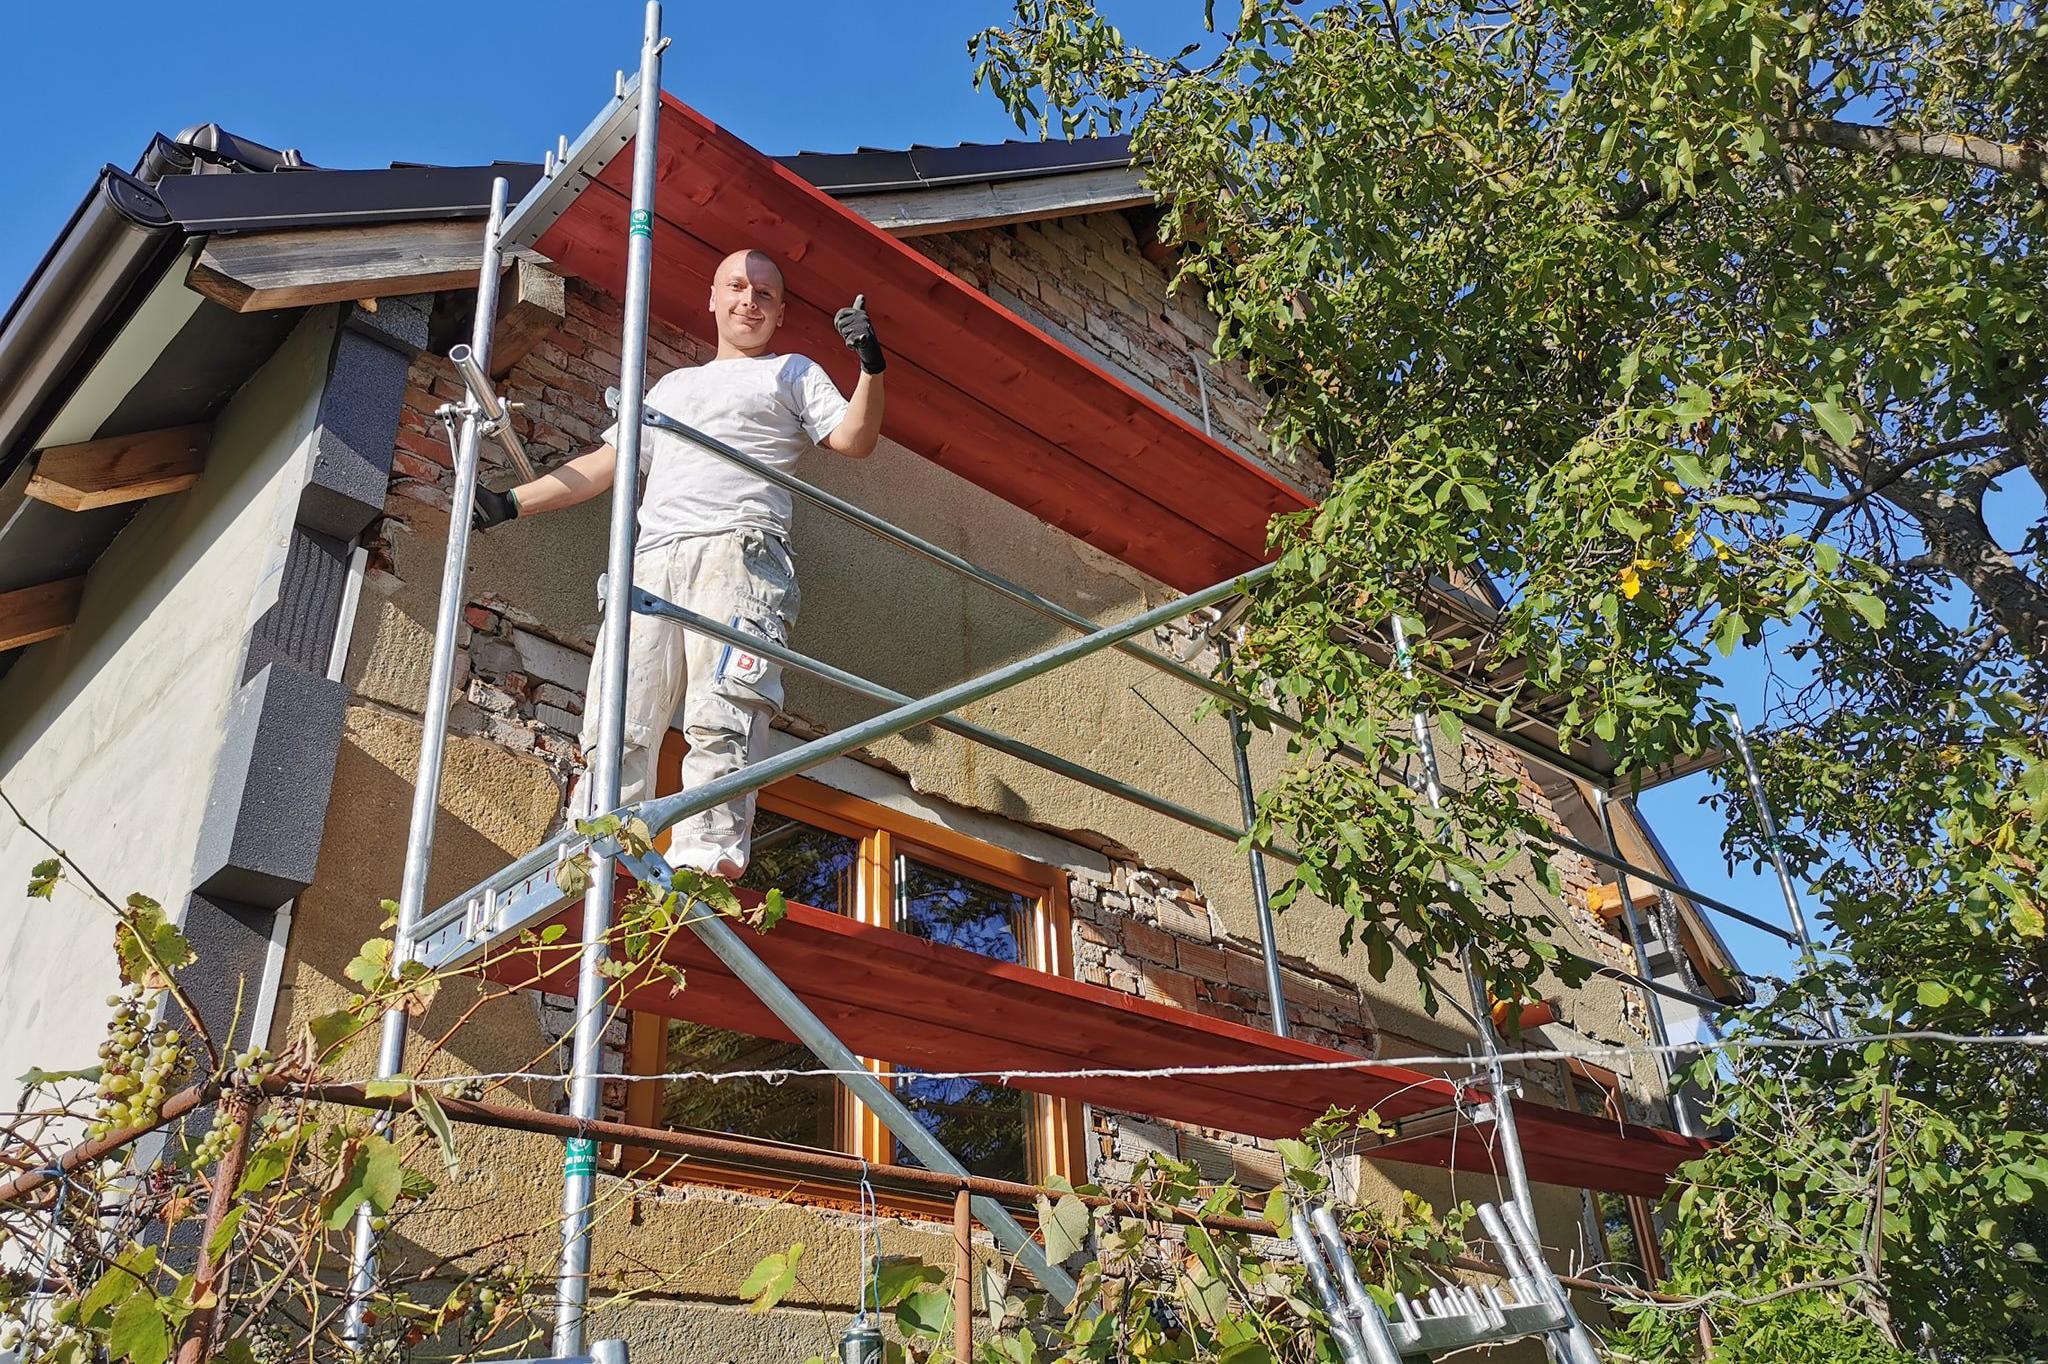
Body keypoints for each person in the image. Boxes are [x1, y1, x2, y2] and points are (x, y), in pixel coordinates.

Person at [470, 247, 885, 876]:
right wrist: (508, 502)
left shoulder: (791, 373)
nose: (750, 300)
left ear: (779, 313)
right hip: (653, 561)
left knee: (723, 712)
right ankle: (596, 849)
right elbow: (602, 468)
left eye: (765, 294)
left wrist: (871, 368)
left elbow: (853, 440)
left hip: (739, 556)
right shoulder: (671, 388)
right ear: (713, 299)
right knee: (621, 713)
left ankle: (705, 860)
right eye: (737, 287)